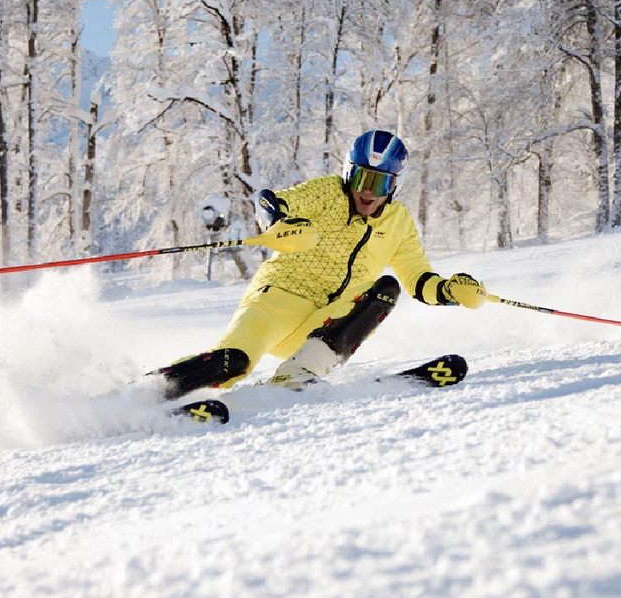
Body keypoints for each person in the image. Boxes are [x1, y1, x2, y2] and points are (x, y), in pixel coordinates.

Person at [153, 129, 486, 400]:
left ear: (394, 186)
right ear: (347, 174)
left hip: (325, 324)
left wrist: (450, 290)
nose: (367, 192)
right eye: (360, 179)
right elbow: (274, 201)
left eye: (380, 183)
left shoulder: (399, 224)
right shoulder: (328, 193)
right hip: (276, 301)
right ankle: (151, 393)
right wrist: (277, 218)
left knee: (386, 289)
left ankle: (297, 374)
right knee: (234, 362)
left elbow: (418, 279)